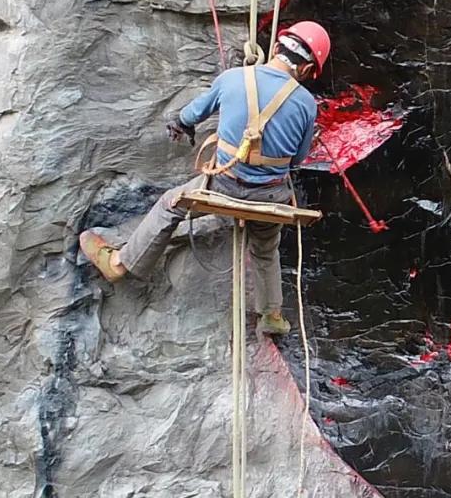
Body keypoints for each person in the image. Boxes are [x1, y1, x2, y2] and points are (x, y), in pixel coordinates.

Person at [79, 22, 331, 335]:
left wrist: (182, 126)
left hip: (222, 186)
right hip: (269, 197)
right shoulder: (307, 104)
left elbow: (187, 117)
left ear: (276, 48)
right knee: (266, 246)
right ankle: (272, 316)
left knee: (171, 205)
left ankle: (119, 264)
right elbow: (297, 160)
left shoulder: (233, 79)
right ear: (307, 69)